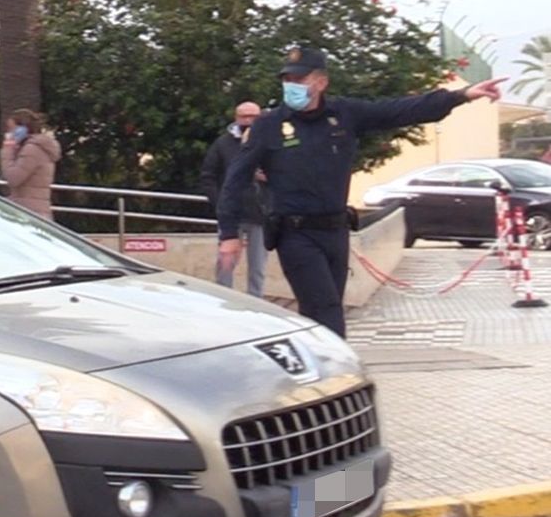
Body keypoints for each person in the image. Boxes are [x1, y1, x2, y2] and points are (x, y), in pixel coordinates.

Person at [219, 46, 503, 336]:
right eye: (287, 79)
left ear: (321, 82)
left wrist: (461, 96)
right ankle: (343, 370)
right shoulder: (269, 125)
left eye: (299, 79)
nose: (291, 86)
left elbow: (400, 110)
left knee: (322, 310)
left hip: (335, 232)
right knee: (324, 307)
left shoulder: (343, 114)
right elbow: (236, 178)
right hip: (295, 233)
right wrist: (229, 234)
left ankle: (317, 369)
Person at [200, 101, 268, 297]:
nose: (249, 121)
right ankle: (223, 298)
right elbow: (208, 176)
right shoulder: (223, 144)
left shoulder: (268, 142)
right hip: (231, 214)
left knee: (258, 266)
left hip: (260, 213)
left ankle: (257, 303)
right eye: (244, 116)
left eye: (253, 117)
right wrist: (219, 203)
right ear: (236, 118)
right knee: (226, 262)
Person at [0, 109, 61, 220]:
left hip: (29, 210)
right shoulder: (34, 148)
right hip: (32, 207)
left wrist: (7, 150)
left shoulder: (32, 150)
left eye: (11, 129)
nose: (9, 133)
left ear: (23, 129)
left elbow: (14, 178)